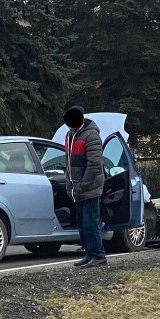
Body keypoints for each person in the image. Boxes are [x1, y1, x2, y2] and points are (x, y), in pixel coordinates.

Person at [63, 106, 107, 268]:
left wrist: (82, 185)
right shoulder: (69, 135)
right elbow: (68, 162)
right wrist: (70, 185)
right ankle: (90, 254)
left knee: (90, 223)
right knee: (82, 224)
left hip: (90, 188)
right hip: (77, 189)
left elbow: (95, 165)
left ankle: (98, 255)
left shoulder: (91, 136)